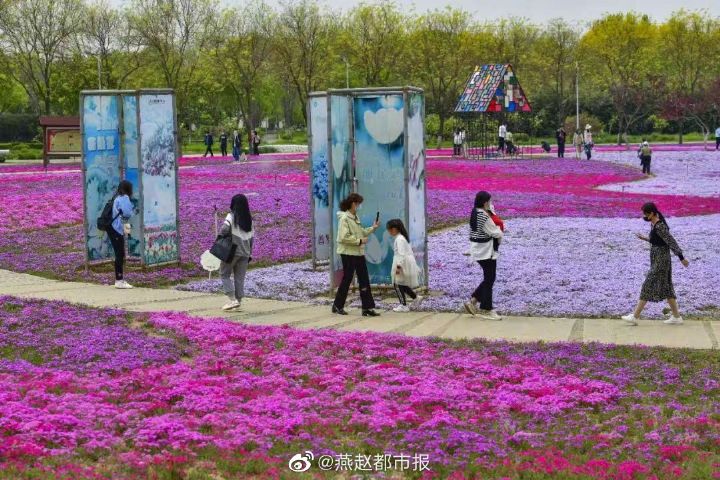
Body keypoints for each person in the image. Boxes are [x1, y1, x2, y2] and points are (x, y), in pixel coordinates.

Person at [622, 202, 689, 326]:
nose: (644, 216)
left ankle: (635, 316)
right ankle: (676, 317)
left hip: (661, 260)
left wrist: (681, 258)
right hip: (658, 259)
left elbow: (671, 241)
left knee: (648, 284)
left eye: (646, 214)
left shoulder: (660, 226)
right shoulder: (654, 224)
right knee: (667, 288)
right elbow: (658, 241)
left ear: (652, 213)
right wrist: (645, 238)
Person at [332, 193, 380, 317]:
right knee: (347, 279)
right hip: (348, 253)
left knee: (364, 278)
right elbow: (343, 237)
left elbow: (361, 232)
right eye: (358, 204)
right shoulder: (345, 218)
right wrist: (359, 241)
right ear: (353, 204)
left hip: (358, 252)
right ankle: (338, 305)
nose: (359, 206)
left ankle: (367, 307)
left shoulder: (355, 217)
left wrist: (373, 228)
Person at [464, 191, 503, 320]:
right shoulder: (484, 215)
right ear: (485, 202)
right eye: (489, 201)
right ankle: (486, 309)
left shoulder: (474, 212)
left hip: (478, 250)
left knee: (489, 277)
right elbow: (494, 232)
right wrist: (500, 232)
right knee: (490, 278)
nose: (490, 204)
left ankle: (474, 301)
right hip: (486, 251)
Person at [219, 194, 254, 311]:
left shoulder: (231, 216)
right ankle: (238, 301)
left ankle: (232, 300)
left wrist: (221, 236)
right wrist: (249, 252)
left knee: (224, 274)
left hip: (232, 251)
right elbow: (252, 238)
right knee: (239, 278)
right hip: (245, 252)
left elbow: (224, 229)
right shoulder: (249, 219)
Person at [387, 219, 421, 313]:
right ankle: (415, 297)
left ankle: (403, 305)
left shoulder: (399, 239)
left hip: (401, 263)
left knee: (397, 283)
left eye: (389, 229)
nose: (389, 231)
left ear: (394, 229)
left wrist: (398, 267)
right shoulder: (401, 238)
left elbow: (401, 255)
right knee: (401, 283)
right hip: (404, 263)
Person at [109, 180, 134, 289]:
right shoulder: (125, 198)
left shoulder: (117, 198)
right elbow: (127, 214)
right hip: (117, 228)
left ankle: (120, 279)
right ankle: (119, 280)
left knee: (120, 253)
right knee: (120, 254)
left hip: (114, 228)